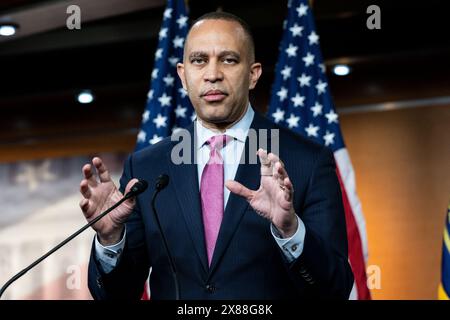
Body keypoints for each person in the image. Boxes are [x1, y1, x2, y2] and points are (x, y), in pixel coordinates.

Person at [79, 11, 353, 300]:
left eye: (229, 60)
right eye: (199, 61)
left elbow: (335, 289)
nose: (212, 74)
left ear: (253, 74)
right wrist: (110, 239)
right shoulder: (146, 167)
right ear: (183, 76)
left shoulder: (307, 161)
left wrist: (290, 231)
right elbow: (115, 295)